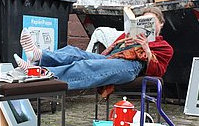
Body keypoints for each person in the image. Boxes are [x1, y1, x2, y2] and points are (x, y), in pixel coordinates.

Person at [14, 7, 173, 94]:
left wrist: (146, 48)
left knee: (86, 66)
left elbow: (158, 71)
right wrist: (125, 42)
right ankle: (39, 56)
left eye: (152, 21)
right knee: (75, 52)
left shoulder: (165, 46)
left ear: (160, 24)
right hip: (114, 60)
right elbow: (110, 54)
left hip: (133, 67)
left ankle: (37, 73)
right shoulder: (127, 36)